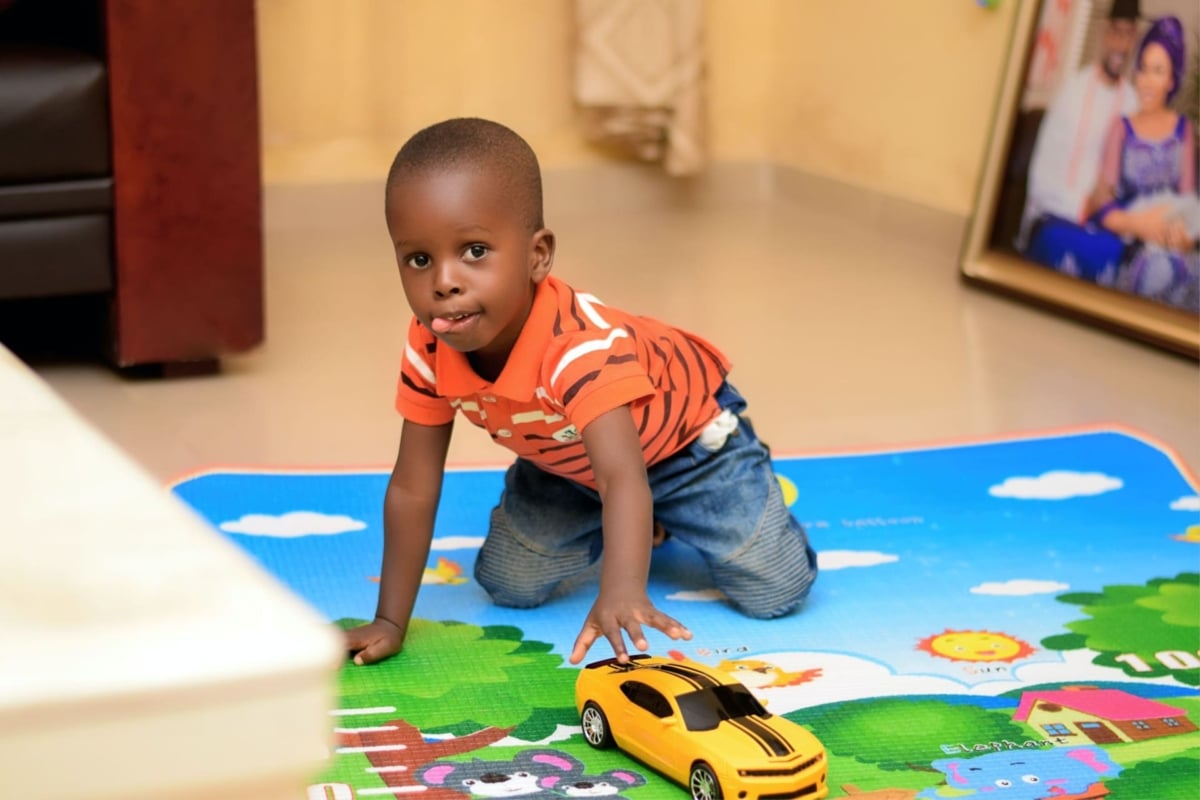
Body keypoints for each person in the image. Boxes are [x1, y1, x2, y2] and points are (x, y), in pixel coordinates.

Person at [344, 118, 818, 667]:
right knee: (508, 583)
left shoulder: (579, 348)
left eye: (474, 250)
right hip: (571, 465)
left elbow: (624, 476)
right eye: (419, 259)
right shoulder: (429, 344)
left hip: (689, 448)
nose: (443, 282)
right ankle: (640, 523)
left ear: (537, 255)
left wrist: (621, 590)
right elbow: (412, 486)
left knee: (775, 591)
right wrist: (390, 620)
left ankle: (735, 496)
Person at [1086, 15, 1198, 311]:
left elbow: (1189, 205)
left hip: (1175, 240)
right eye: (1143, 69)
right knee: (1159, 270)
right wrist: (1142, 226)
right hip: (1133, 241)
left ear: (1171, 80)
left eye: (1158, 71)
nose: (1147, 81)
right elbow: (1101, 206)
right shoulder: (1120, 129)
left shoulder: (1183, 130)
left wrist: (1183, 237)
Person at [1021, 0, 1140, 249]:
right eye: (1116, 32)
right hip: (1057, 213)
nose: (1120, 44)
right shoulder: (1073, 90)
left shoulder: (1133, 103)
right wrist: (1080, 206)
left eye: (1128, 35)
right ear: (1104, 33)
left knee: (1113, 252)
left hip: (1105, 224)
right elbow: (1042, 173)